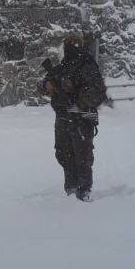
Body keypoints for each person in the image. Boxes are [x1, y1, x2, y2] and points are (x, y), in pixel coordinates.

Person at [41, 34, 107, 202]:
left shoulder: (87, 65)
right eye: (67, 43)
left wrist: (76, 98)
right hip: (63, 119)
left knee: (82, 156)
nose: (69, 46)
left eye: (73, 43)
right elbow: (44, 84)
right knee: (63, 154)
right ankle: (70, 189)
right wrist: (47, 85)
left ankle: (84, 191)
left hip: (81, 118)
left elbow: (98, 92)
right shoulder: (63, 66)